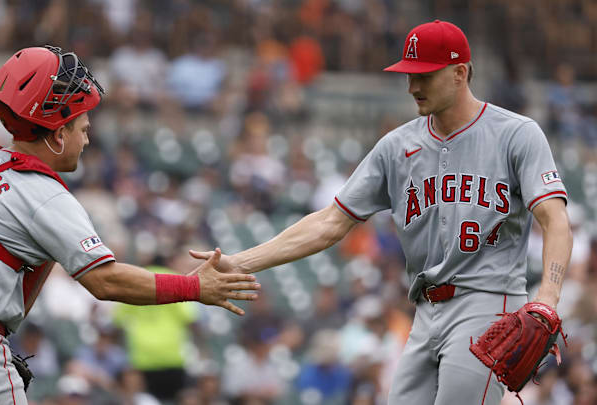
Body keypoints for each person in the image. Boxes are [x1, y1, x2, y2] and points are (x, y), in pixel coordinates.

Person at [190, 20, 573, 405]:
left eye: (424, 74)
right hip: (425, 310)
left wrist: (547, 298)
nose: (412, 86)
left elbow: (554, 220)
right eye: (409, 74)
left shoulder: (516, 134)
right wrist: (240, 262)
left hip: (488, 301)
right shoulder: (396, 146)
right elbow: (329, 223)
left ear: (460, 73)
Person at [0, 45, 259, 405]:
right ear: (59, 134)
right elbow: (105, 280)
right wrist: (193, 286)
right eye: (82, 127)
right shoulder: (43, 193)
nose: (88, 138)